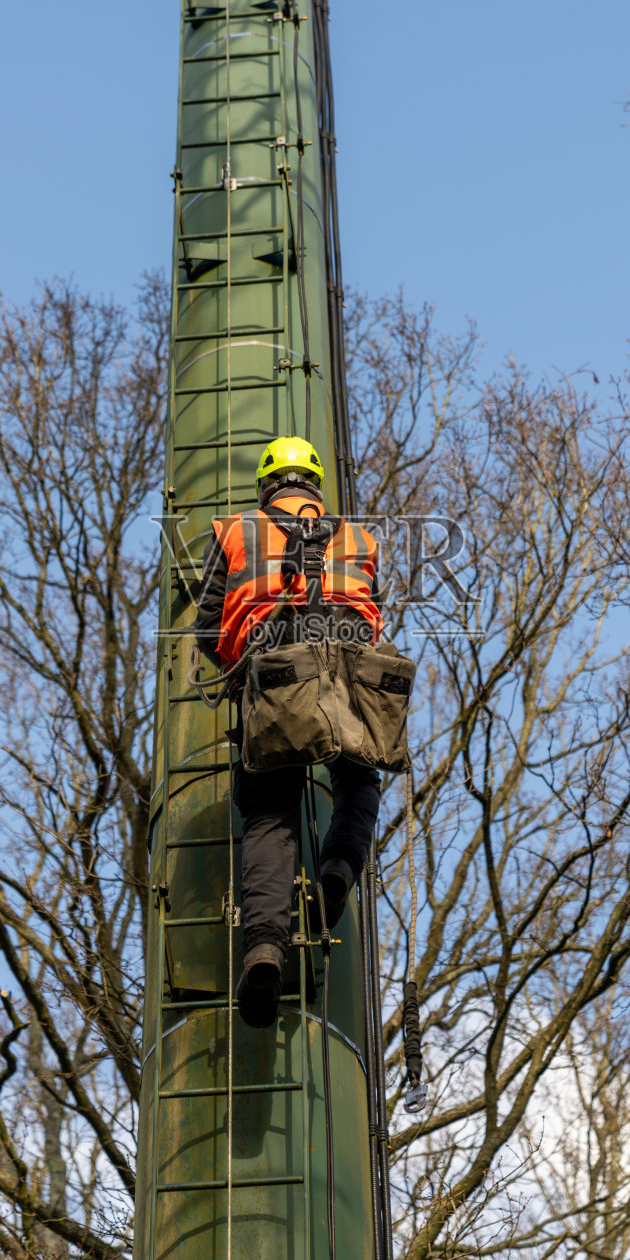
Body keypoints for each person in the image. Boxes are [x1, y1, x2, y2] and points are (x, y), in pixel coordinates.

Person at [194, 436, 383, 1028]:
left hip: (274, 669)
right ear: (316, 485)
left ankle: (265, 948)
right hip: (348, 668)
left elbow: (205, 628)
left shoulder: (233, 532)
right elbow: (373, 610)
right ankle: (337, 870)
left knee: (270, 814)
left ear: (266, 485)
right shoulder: (358, 538)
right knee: (358, 780)